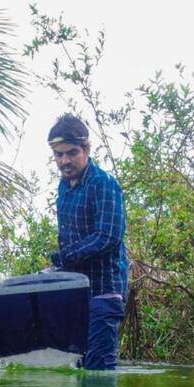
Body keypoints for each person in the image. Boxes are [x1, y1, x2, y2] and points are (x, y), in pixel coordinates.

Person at [47, 114, 128, 370]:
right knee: (76, 368)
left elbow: (108, 236)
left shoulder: (103, 184)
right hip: (75, 292)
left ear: (86, 148)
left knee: (99, 369)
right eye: (58, 155)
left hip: (104, 291)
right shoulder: (64, 187)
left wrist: (66, 256)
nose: (64, 161)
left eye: (71, 153)